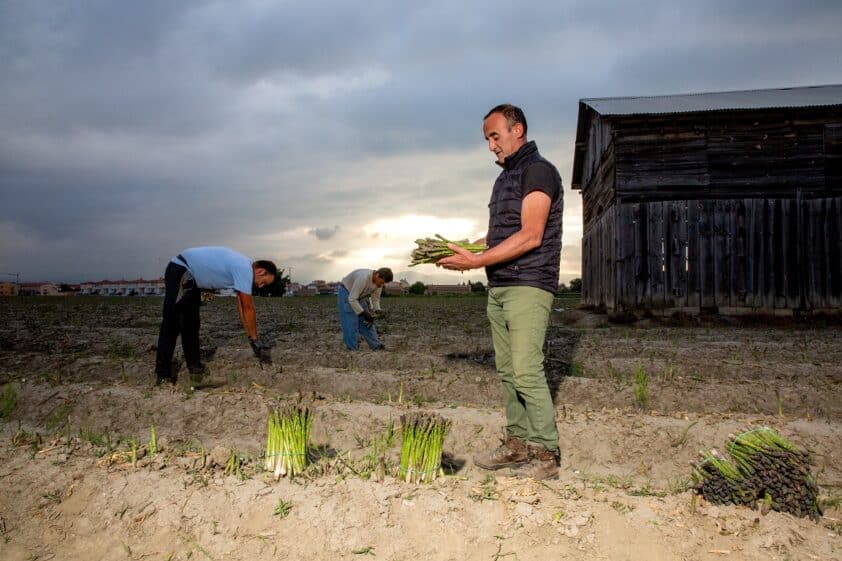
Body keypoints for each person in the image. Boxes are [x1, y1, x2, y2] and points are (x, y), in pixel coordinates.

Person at [438, 104, 563, 480]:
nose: (491, 145)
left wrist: (476, 264)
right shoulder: (504, 179)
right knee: (508, 372)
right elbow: (499, 235)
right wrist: (465, 249)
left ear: (517, 130)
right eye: (487, 139)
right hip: (501, 286)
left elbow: (531, 235)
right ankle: (517, 443)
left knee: (526, 371)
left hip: (529, 284)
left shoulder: (538, 171)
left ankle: (546, 454)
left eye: (495, 136)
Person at [155, 246, 278, 386]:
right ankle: (162, 375)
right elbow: (248, 307)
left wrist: (250, 336)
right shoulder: (244, 268)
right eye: (263, 282)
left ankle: (196, 371)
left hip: (194, 282)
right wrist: (256, 340)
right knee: (172, 322)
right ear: (260, 271)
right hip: (181, 269)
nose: (261, 286)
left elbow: (241, 306)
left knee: (192, 324)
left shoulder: (244, 267)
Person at [338, 267, 393, 351]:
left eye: (383, 284)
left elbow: (375, 299)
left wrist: (377, 310)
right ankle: (352, 349)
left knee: (367, 322)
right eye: (381, 282)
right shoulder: (363, 278)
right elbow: (352, 299)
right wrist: (364, 313)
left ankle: (376, 346)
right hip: (347, 292)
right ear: (377, 275)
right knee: (351, 322)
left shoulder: (379, 284)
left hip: (359, 296)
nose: (381, 285)